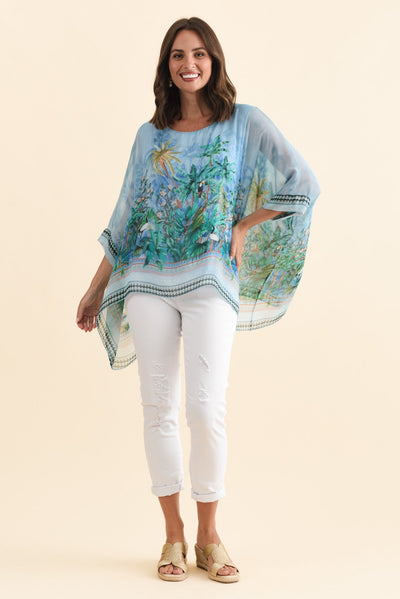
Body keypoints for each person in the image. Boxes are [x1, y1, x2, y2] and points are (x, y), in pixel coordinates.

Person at [76, 16, 321, 583]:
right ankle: (173, 534)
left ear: (214, 61)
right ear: (167, 67)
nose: (189, 64)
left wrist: (244, 226)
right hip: (147, 280)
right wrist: (95, 287)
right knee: (158, 409)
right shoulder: (150, 136)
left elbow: (303, 183)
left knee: (206, 409)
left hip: (211, 277)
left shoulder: (244, 123)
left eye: (199, 54)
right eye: (178, 56)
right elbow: (126, 217)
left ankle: (210, 537)